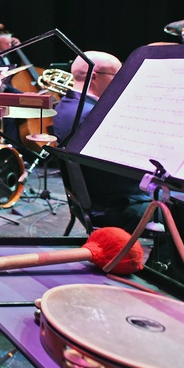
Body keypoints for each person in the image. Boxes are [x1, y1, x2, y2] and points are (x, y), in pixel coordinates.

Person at [53, 50, 149, 232]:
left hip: (90, 200)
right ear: (94, 76)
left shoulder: (66, 105)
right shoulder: (92, 115)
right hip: (113, 207)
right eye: (118, 75)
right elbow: (122, 172)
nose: (123, 80)